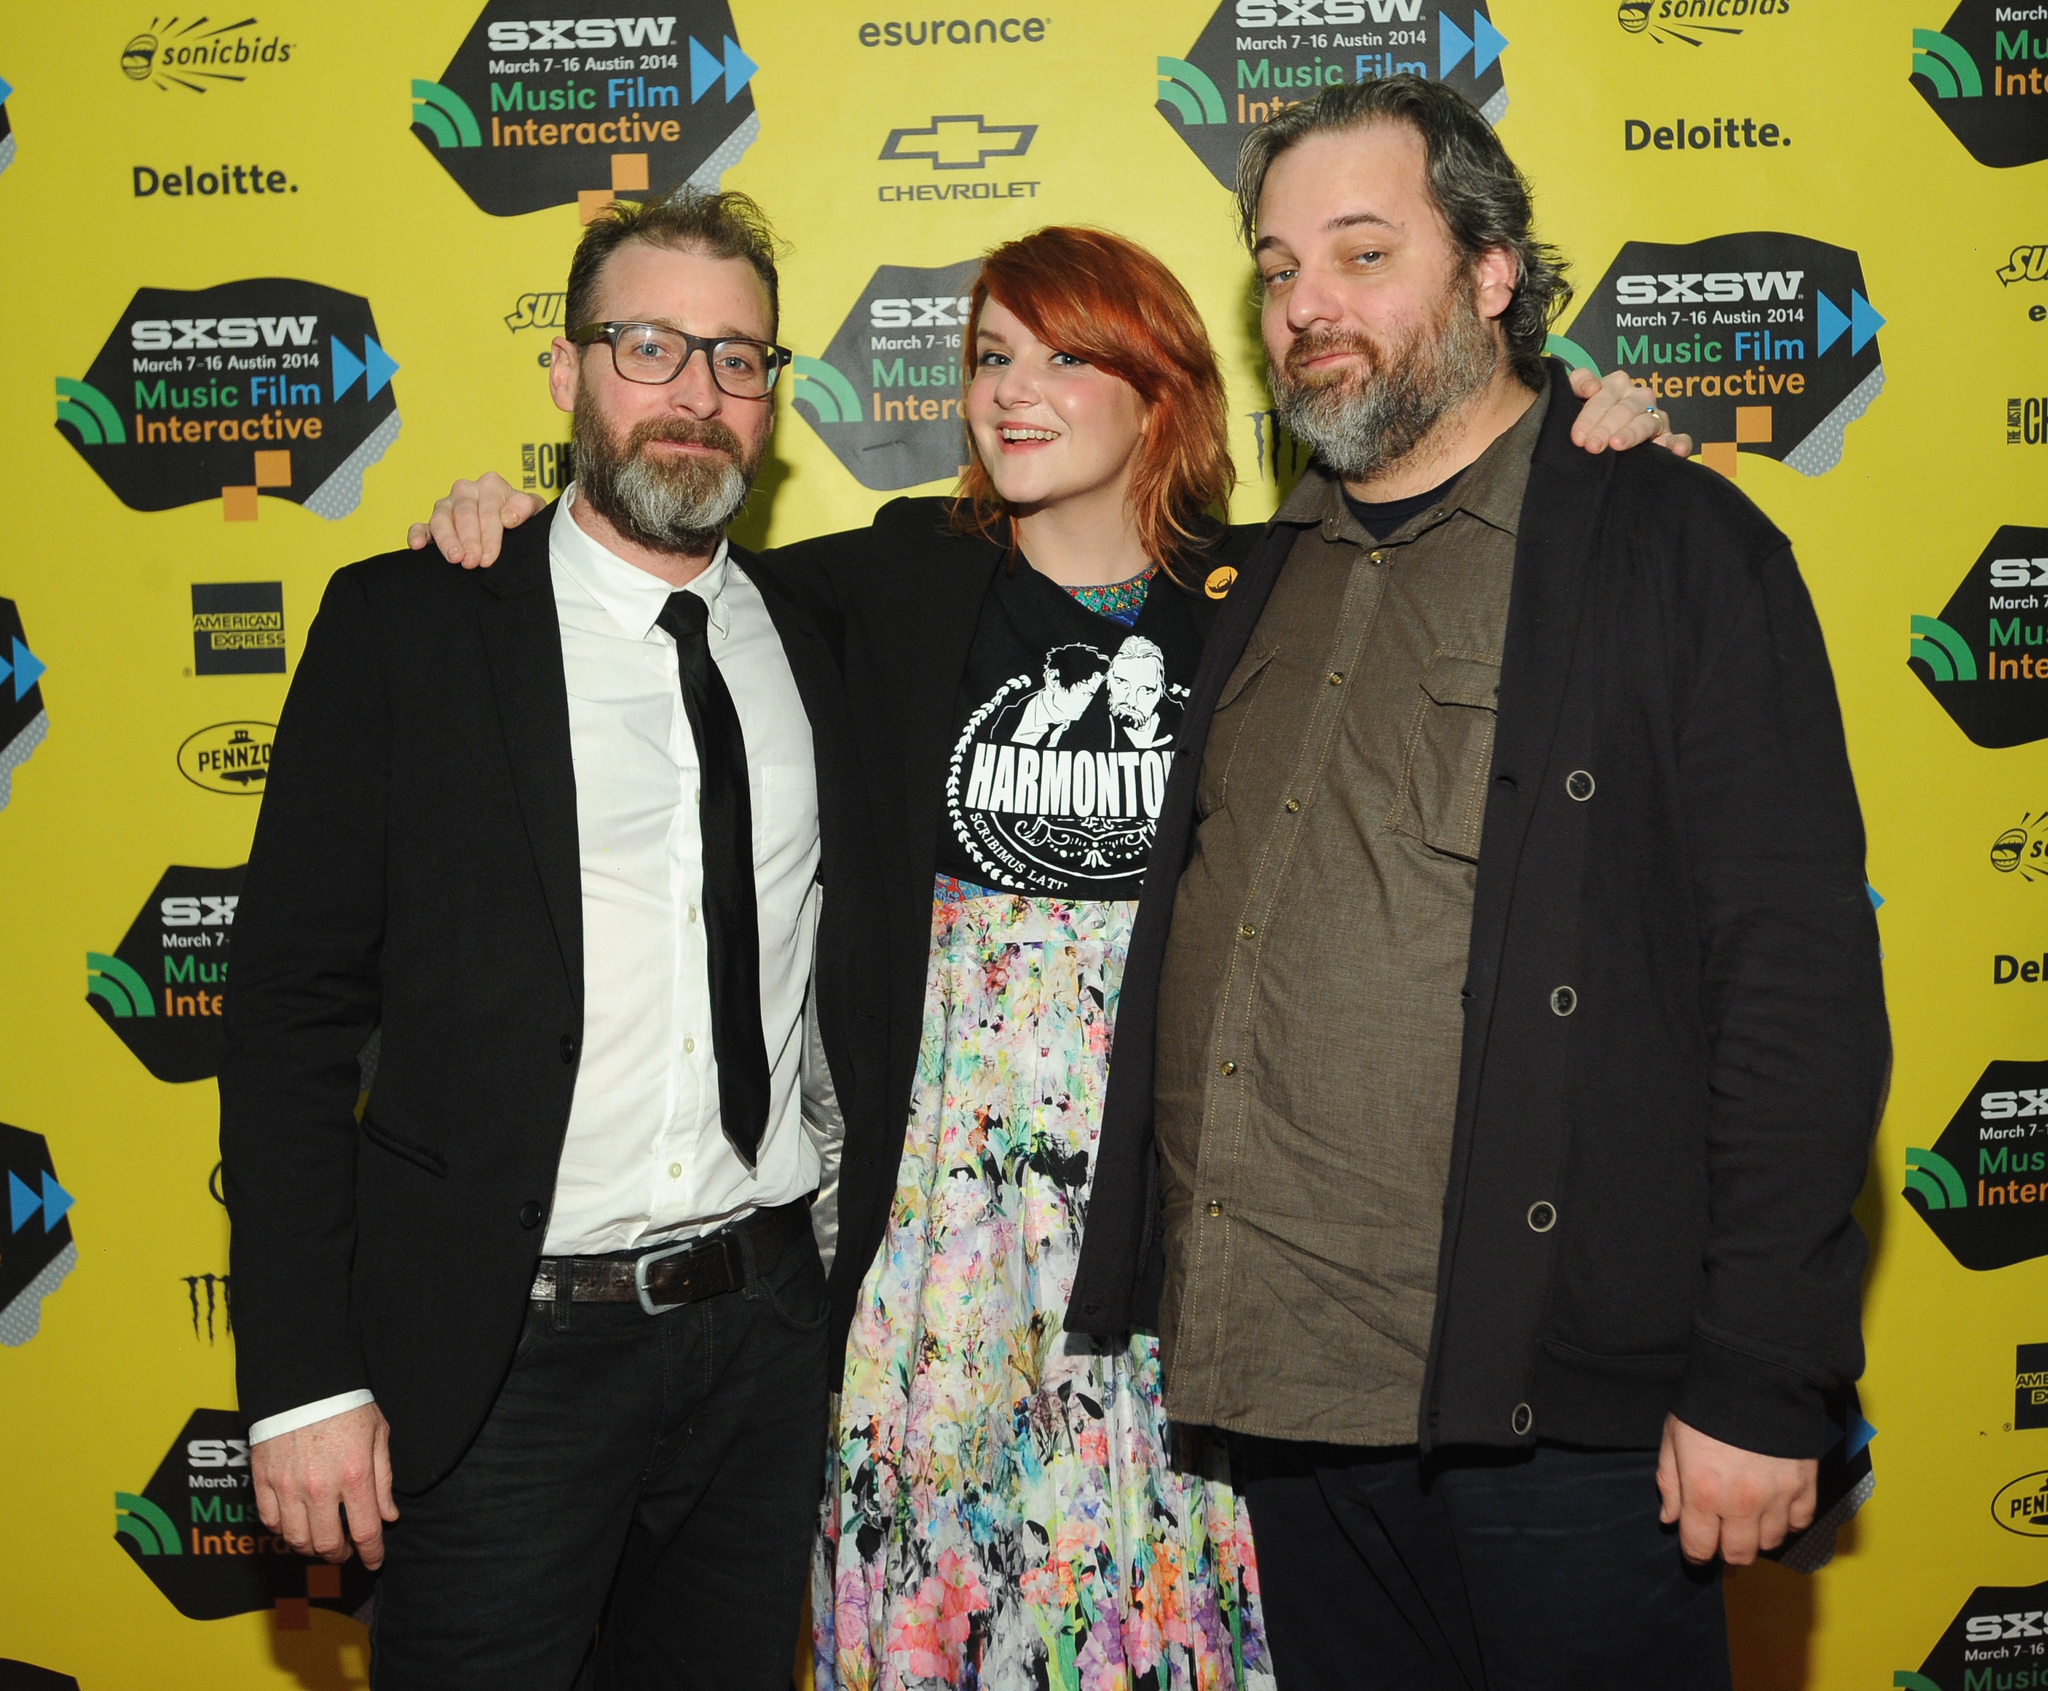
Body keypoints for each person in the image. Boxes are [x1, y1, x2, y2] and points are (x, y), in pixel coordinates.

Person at [411, 230, 1683, 1690]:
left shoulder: (1284, 591)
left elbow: (1484, 532)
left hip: (1194, 1250)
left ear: (1167, 393)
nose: (1014, 392)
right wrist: (500, 523)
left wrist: (1599, 425)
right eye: (991, 359)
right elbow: (644, 562)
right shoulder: (886, 588)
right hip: (947, 1270)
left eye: (1068, 357)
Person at [1062, 78, 1890, 1689]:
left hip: (1563, 1425)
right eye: (1281, 267)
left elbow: (1792, 980)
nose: (1309, 307)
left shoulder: (1669, 545)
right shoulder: (1251, 574)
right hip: (1285, 1406)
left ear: (1492, 272)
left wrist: (1763, 1374)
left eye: (1364, 254)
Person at [220, 187, 891, 1690]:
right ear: (567, 371)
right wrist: (301, 1383)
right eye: (647, 346)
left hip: (766, 1343)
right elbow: (285, 1018)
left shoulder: (831, 632)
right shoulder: (413, 625)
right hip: (503, 1362)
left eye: (736, 359)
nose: (694, 396)